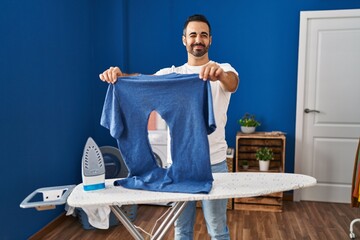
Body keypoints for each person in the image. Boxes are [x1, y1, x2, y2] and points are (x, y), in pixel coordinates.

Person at [99, 14, 239, 240]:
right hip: (179, 167)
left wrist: (219, 74)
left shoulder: (222, 69)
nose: (198, 40)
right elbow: (140, 81)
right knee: (181, 229)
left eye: (203, 35)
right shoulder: (171, 75)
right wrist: (119, 76)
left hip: (215, 163)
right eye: (192, 34)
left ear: (210, 40)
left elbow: (232, 83)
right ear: (184, 39)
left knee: (217, 229)